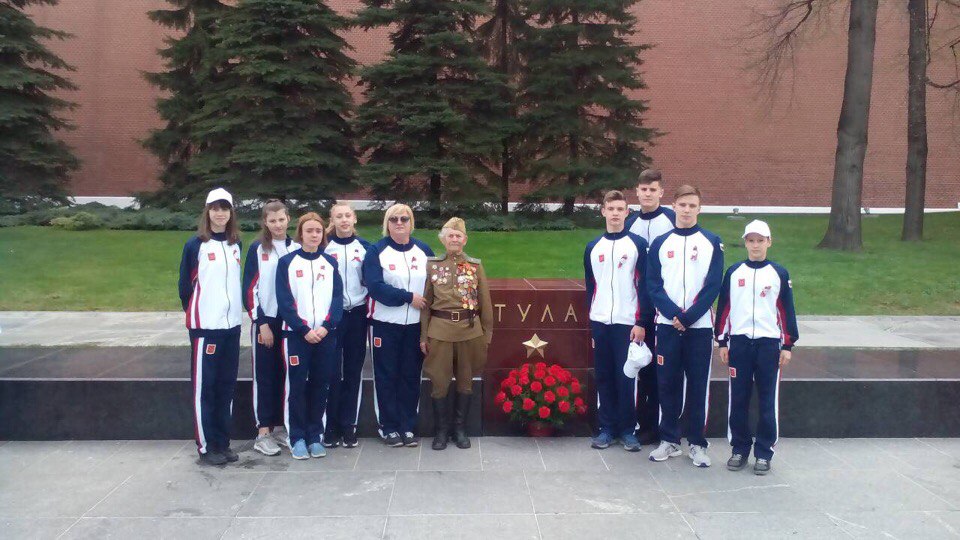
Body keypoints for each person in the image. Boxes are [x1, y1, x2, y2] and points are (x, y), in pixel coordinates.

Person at [646, 184, 724, 468]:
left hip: (698, 327)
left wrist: (688, 316)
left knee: (698, 386)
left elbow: (713, 284)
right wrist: (672, 313)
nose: (687, 210)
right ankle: (669, 440)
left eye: (692, 205)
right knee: (667, 383)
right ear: (674, 206)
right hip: (667, 326)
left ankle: (697, 443)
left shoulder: (711, 241)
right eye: (683, 205)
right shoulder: (660, 243)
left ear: (699, 209)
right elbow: (653, 284)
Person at [715, 219, 798, 475]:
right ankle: (739, 448)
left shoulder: (778, 273)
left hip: (768, 345)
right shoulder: (734, 272)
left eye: (760, 240)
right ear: (745, 243)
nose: (755, 245)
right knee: (738, 398)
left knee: (767, 400)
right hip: (739, 344)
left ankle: (764, 451)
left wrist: (787, 344)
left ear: (769, 242)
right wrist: (722, 341)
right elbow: (724, 307)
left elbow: (786, 310)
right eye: (751, 240)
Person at [178, 187, 244, 466]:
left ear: (231, 213)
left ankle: (222, 442)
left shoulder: (235, 244)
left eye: (225, 208)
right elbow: (185, 287)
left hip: (232, 326)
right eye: (215, 209)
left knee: (225, 387)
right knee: (205, 389)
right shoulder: (196, 245)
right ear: (208, 212)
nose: (220, 214)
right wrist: (200, 314)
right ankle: (206, 446)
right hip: (206, 328)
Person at [584, 191, 652, 452]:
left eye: (619, 209)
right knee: (604, 376)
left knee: (626, 377)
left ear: (627, 212)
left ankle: (627, 430)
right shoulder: (593, 247)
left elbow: (644, 286)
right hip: (601, 321)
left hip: (628, 322)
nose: (615, 213)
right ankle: (606, 429)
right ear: (603, 211)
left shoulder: (637, 245)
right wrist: (592, 319)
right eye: (610, 208)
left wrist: (641, 321)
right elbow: (591, 287)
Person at [362, 204, 434, 447]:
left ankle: (407, 426)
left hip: (414, 325)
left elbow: (433, 285)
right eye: (394, 219)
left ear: (411, 222)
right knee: (386, 376)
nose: (399, 223)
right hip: (385, 324)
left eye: (404, 218)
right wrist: (407, 297)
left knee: (410, 375)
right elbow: (375, 287)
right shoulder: (377, 251)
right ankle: (389, 427)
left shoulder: (423, 250)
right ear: (387, 223)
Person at [420, 218, 494, 451]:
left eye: (458, 236)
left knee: (465, 382)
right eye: (450, 235)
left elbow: (485, 302)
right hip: (440, 331)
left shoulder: (475, 266)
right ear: (443, 239)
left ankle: (460, 430)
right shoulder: (433, 265)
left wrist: (486, 334)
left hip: (469, 332)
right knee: (439, 383)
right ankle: (441, 431)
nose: (454, 239)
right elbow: (426, 304)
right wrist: (423, 336)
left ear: (465, 240)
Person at [275, 213, 343, 459]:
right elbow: (285, 301)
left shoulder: (330, 262)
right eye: (309, 231)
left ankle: (315, 436)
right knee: (297, 386)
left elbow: (337, 298)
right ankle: (297, 437)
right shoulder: (287, 263)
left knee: (320, 384)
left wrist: (327, 326)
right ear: (300, 234)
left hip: (325, 336)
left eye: (318, 231)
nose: (314, 235)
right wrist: (303, 329)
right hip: (297, 336)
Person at [242, 199, 300, 456]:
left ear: (289, 219)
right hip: (267, 322)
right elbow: (250, 289)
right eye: (272, 220)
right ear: (265, 222)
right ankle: (263, 431)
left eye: (281, 219)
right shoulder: (258, 249)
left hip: (290, 323)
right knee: (265, 375)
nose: (278, 225)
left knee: (286, 375)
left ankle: (281, 427)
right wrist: (261, 322)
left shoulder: (296, 248)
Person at [625, 169, 675, 445]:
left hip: (664, 308)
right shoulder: (630, 222)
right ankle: (642, 425)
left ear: (661, 192)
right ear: (637, 191)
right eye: (643, 189)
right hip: (637, 306)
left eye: (652, 189)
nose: (647, 194)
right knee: (641, 369)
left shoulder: (671, 220)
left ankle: (662, 427)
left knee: (661, 372)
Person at [322, 202, 372, 449]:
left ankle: (349, 425)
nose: (343, 220)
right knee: (331, 372)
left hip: (357, 315)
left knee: (353, 371)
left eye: (347, 216)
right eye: (338, 216)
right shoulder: (323, 247)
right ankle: (330, 426)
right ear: (332, 220)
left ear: (354, 219)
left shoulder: (365, 248)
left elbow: (372, 279)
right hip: (332, 316)